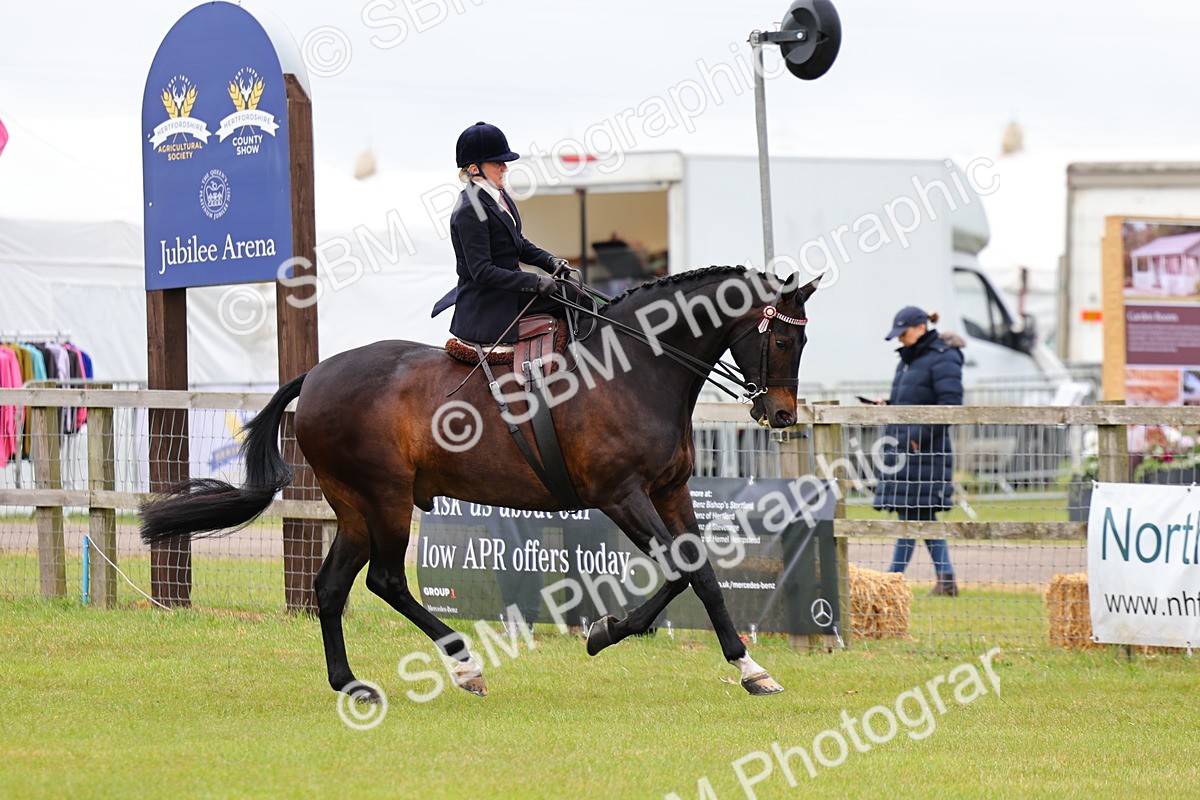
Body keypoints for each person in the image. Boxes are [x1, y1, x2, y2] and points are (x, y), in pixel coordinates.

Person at [430, 121, 572, 344]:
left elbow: (519, 243)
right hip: (489, 302)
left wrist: (550, 261)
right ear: (474, 169)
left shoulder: (499, 196)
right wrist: (534, 282)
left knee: (575, 290)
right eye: (497, 163)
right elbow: (483, 271)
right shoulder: (470, 209)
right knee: (570, 296)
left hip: (508, 291)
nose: (504, 167)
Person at [872, 305, 965, 597]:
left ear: (920, 328)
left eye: (903, 333)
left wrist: (918, 438)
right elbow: (911, 399)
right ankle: (944, 579)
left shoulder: (943, 357)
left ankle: (891, 580)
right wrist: (888, 405)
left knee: (914, 516)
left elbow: (950, 404)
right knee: (917, 517)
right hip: (905, 450)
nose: (900, 339)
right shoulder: (909, 360)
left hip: (925, 452)